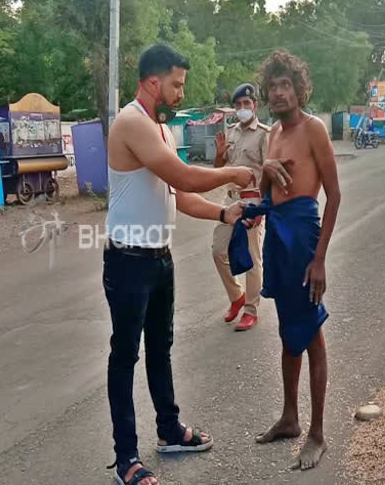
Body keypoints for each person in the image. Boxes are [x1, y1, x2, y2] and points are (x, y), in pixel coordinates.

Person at [103, 43, 255, 485]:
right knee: (124, 357)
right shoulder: (131, 122)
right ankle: (126, 458)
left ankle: (169, 430)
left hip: (159, 259)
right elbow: (184, 176)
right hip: (129, 260)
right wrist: (233, 174)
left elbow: (180, 194)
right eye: (176, 84)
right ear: (153, 81)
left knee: (160, 349)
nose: (180, 92)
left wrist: (223, 213)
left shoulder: (163, 130)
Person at [243, 50, 341, 471]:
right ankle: (289, 417)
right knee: (287, 330)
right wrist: (264, 169)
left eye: (287, 85)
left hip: (303, 237)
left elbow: (334, 195)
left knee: (311, 331)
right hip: (277, 237)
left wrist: (319, 259)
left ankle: (317, 432)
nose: (279, 92)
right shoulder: (274, 135)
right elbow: (266, 195)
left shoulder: (314, 129)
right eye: (273, 86)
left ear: (299, 89)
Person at [211, 83, 270, 331]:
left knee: (253, 259)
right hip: (230, 200)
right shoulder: (231, 132)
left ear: (255, 106)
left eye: (247, 104)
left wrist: (261, 209)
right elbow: (219, 171)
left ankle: (250, 310)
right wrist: (219, 154)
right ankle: (237, 296)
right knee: (218, 250)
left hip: (252, 201)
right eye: (238, 105)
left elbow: (270, 173)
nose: (243, 109)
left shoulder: (264, 134)